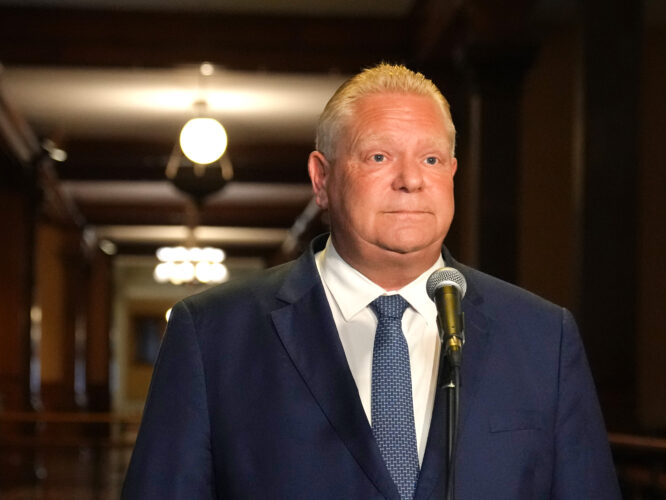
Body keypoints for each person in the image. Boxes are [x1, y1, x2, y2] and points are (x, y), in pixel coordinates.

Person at [122, 63, 621, 499]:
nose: (411, 179)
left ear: (451, 172)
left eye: (430, 159)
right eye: (379, 157)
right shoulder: (213, 334)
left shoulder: (541, 337)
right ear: (322, 179)